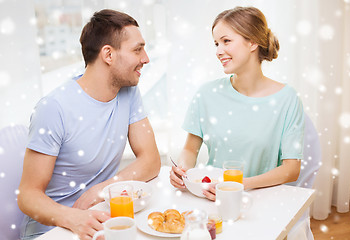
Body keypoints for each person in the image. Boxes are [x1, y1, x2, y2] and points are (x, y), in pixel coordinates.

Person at [18, 9, 161, 240]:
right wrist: (73, 218)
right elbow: (27, 196)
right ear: (108, 54)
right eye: (137, 49)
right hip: (54, 230)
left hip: (100, 219)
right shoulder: (53, 108)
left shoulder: (129, 91)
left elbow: (151, 160)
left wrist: (102, 190)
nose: (145, 58)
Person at [170, 6, 304, 200]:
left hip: (262, 200)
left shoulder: (287, 99)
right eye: (216, 43)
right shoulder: (206, 94)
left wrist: (240, 185)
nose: (218, 51)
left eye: (226, 41)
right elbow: (190, 149)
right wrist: (182, 170)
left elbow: (291, 170)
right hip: (212, 198)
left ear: (252, 42)